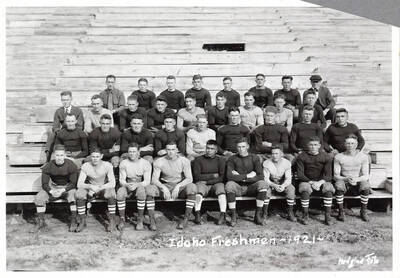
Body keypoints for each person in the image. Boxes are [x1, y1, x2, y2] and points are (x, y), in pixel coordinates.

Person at [148, 141, 197, 229]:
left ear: (177, 150)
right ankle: (152, 221)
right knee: (150, 189)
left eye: (173, 149)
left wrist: (178, 186)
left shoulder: (184, 161)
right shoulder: (159, 161)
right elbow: (154, 179)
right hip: (165, 184)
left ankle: (186, 218)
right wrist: (163, 187)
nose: (170, 152)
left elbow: (189, 178)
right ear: (165, 150)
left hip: (179, 185)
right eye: (168, 149)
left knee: (192, 187)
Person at [34, 145, 79, 232]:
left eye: (61, 155)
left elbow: (73, 183)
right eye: (57, 155)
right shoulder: (48, 166)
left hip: (67, 188)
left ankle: (73, 220)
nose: (59, 158)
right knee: (39, 197)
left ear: (65, 155)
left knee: (73, 195)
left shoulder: (71, 165)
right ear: (54, 155)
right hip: (53, 187)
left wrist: (63, 190)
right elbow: (44, 184)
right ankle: (41, 222)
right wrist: (51, 191)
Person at [225, 139, 269, 226]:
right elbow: (229, 176)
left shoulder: (254, 158)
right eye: (239, 147)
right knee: (229, 185)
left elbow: (260, 176)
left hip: (251, 187)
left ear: (247, 147)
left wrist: (239, 177)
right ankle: (233, 216)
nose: (241, 149)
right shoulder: (232, 159)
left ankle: (258, 215)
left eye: (243, 147)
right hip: (238, 187)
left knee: (263, 184)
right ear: (236, 147)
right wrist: (247, 176)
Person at [75, 148, 117, 232]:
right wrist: (90, 186)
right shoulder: (86, 165)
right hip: (91, 188)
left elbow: (112, 183)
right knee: (79, 194)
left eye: (97, 156)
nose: (95, 159)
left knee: (111, 193)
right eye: (93, 156)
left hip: (103, 188)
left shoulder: (107, 165)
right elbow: (79, 184)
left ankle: (112, 221)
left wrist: (100, 187)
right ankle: (82, 221)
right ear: (90, 156)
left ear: (101, 156)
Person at [296, 136, 335, 225]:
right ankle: (305, 215)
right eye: (311, 145)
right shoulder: (302, 156)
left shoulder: (325, 156)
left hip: (321, 181)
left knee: (328, 187)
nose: (313, 147)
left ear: (319, 146)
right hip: (307, 180)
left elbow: (328, 175)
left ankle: (327, 216)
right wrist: (311, 182)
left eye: (315, 145)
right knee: (304, 188)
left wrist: (320, 182)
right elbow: (300, 174)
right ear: (307, 145)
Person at [334, 134, 371, 222]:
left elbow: (366, 175)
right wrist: (345, 178)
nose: (350, 146)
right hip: (345, 182)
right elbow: (336, 176)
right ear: (344, 144)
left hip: (357, 182)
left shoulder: (363, 157)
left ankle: (363, 211)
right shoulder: (339, 156)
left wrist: (356, 179)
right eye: (348, 143)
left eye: (352, 143)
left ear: (356, 144)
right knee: (338, 184)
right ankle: (341, 211)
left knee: (365, 184)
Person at [117, 143, 154, 231]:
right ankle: (122, 219)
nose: (132, 154)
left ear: (138, 152)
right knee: (120, 193)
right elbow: (122, 180)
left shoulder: (145, 163)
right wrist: (126, 185)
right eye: (130, 152)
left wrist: (137, 185)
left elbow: (147, 181)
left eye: (134, 151)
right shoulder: (124, 163)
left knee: (141, 192)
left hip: (140, 184)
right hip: (128, 184)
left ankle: (140, 219)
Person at [192, 140, 227, 225]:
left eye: (212, 149)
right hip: (202, 184)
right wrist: (213, 175)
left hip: (215, 183)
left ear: (216, 150)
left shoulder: (221, 160)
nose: (209, 150)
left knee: (221, 189)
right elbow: (197, 176)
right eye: (208, 148)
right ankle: (197, 214)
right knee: (199, 190)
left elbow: (222, 177)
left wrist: (207, 181)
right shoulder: (198, 160)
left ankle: (222, 215)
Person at [45, 91, 84, 162]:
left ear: (71, 99)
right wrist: (60, 132)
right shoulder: (58, 111)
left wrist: (70, 130)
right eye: (63, 100)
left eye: (67, 100)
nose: (65, 102)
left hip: (74, 131)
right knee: (51, 135)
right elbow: (55, 126)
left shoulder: (78, 111)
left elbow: (80, 126)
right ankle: (48, 160)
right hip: (62, 133)